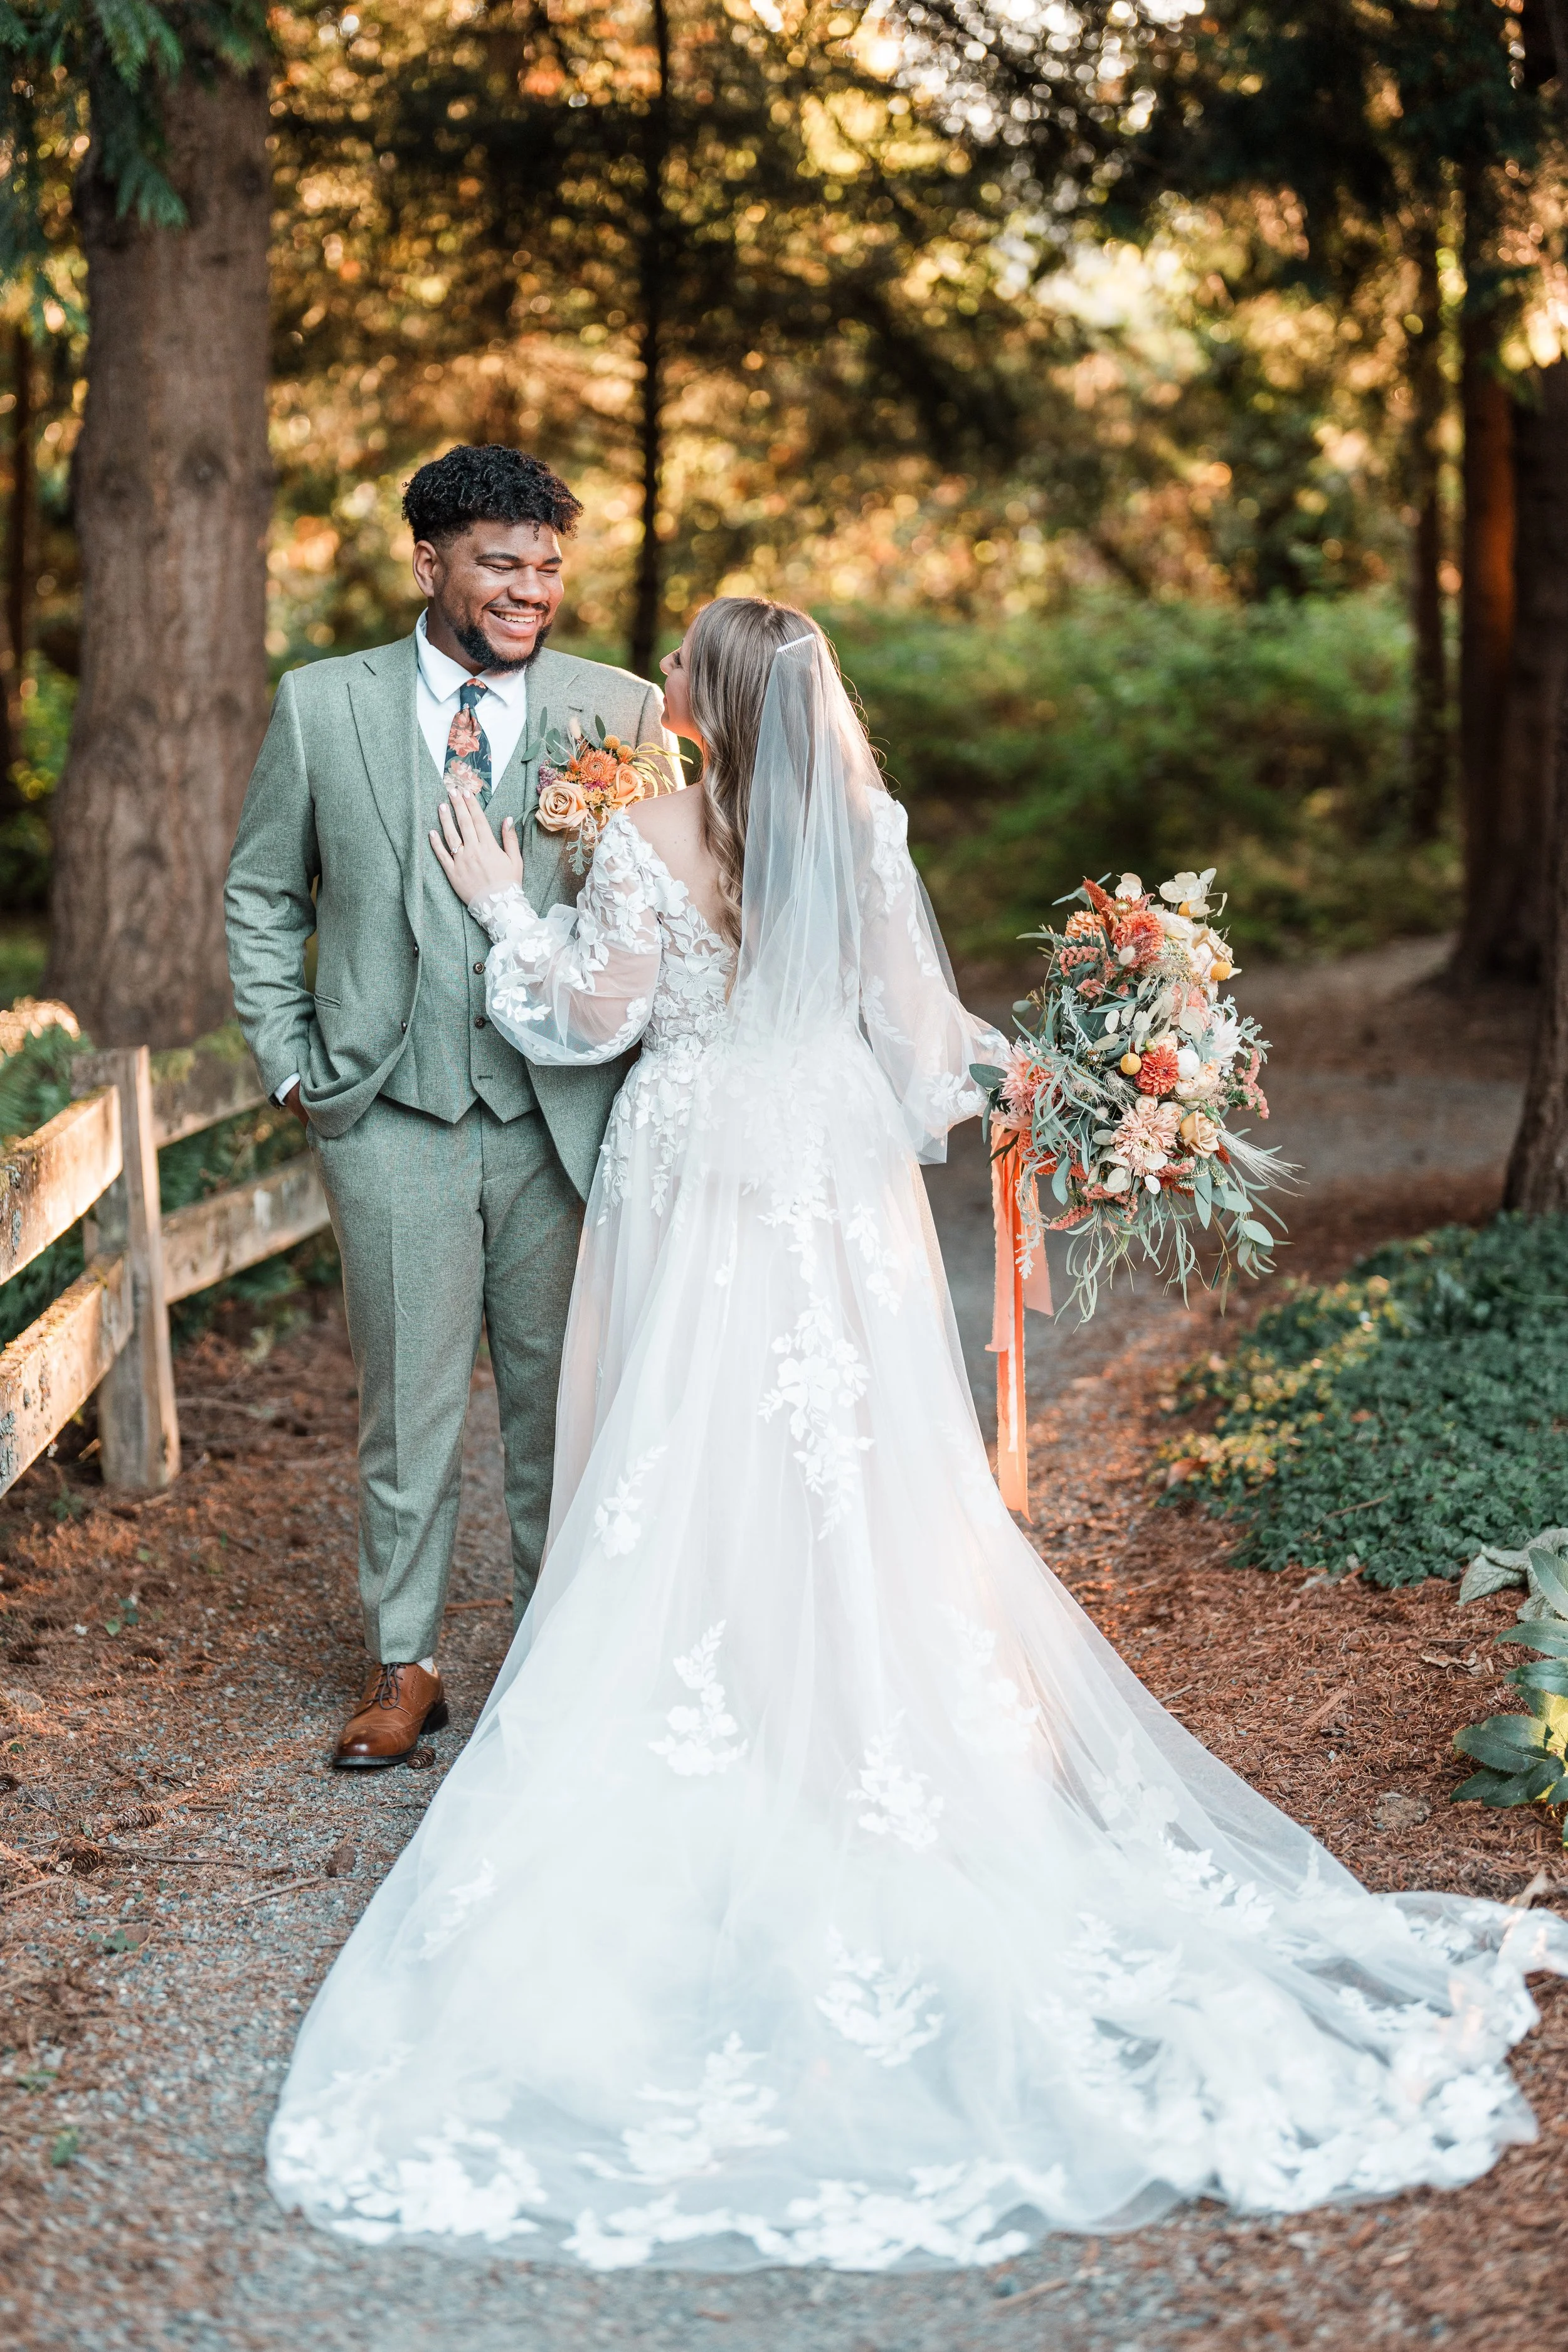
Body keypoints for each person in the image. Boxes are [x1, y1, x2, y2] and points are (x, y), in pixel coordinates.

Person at [267, 598, 1567, 2272]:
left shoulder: (652, 832)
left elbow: (584, 1018)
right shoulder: (863, 828)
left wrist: (504, 902)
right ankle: (845, 1700)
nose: (656, 680)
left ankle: (715, 1696)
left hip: (690, 1167)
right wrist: (1039, 1075)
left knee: (682, 1437)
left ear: (718, 704)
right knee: (854, 1452)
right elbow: (914, 1044)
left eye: (678, 666)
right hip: (825, 1175)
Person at [225, 446, 670, 1769]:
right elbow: (263, 890)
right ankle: (404, 1661)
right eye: (500, 561)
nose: (531, 589)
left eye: (546, 565)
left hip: (560, 1119)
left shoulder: (622, 710)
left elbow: (668, 905)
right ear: (429, 561)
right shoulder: (321, 705)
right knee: (406, 1407)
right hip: (388, 1110)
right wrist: (292, 1057)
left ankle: (552, 1654)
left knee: (559, 1403)